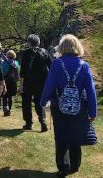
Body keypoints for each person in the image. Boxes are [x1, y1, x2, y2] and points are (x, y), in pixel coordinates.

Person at [40, 34, 97, 177]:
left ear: (61, 47)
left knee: (61, 135)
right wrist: (93, 111)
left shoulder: (57, 64)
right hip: (79, 106)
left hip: (59, 106)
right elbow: (90, 90)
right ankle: (75, 165)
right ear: (77, 47)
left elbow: (49, 85)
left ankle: (63, 166)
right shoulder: (84, 65)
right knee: (75, 135)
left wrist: (43, 101)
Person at [19, 34, 52, 132]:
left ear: (29, 43)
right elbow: (51, 67)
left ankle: (28, 123)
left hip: (28, 82)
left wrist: (21, 85)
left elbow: (22, 71)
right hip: (41, 82)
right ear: (38, 42)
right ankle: (42, 121)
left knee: (26, 102)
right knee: (39, 102)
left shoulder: (26, 53)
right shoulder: (45, 52)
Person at [1, 50, 20, 116]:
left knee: (4, 96)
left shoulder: (4, 63)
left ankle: (5, 109)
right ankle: (9, 109)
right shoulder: (16, 63)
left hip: (5, 81)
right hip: (13, 82)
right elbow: (18, 72)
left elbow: (2, 72)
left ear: (7, 55)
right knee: (10, 96)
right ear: (14, 56)